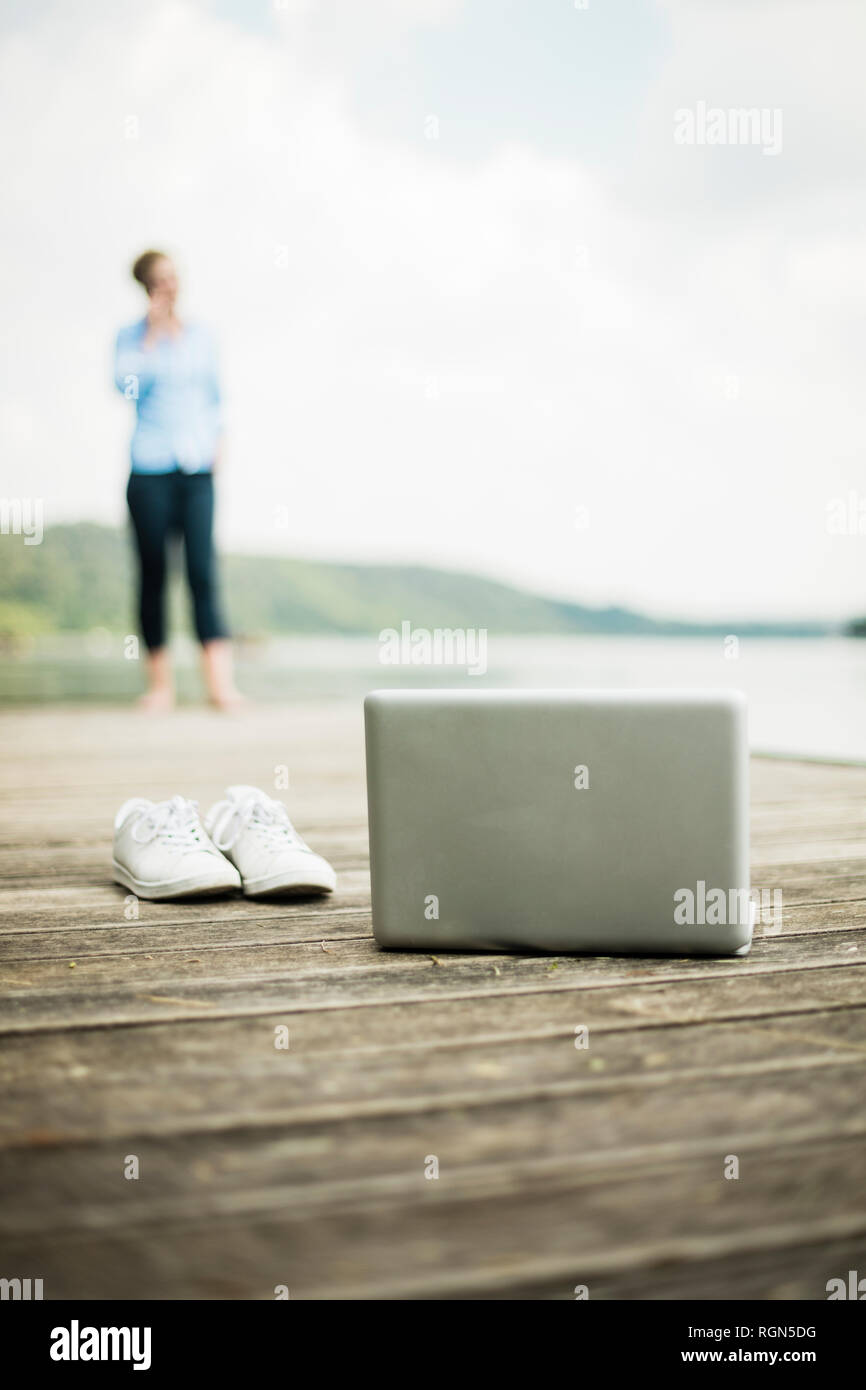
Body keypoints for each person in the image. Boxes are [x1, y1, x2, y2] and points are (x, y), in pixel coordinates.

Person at [114, 250, 243, 711]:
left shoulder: (204, 336)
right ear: (145, 287)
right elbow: (123, 388)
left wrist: (220, 440)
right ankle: (160, 688)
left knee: (203, 571)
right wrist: (150, 336)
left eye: (172, 277)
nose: (168, 286)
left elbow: (217, 396)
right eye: (158, 280)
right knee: (153, 575)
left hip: (197, 469)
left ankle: (220, 687)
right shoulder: (130, 338)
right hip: (149, 468)